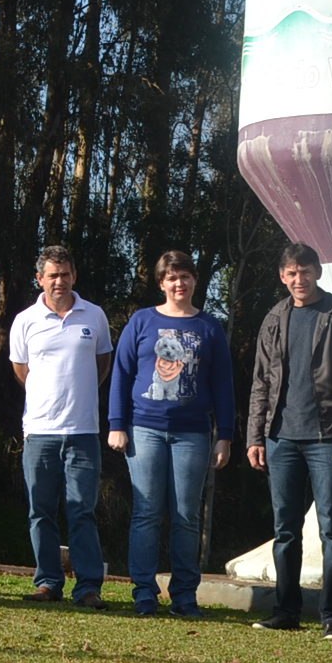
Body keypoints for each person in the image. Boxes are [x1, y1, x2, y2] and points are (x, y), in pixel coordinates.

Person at [245, 240, 332, 640]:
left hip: (327, 438)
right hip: (281, 438)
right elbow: (261, 382)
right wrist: (255, 436)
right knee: (285, 530)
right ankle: (286, 611)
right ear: (282, 277)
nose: (298, 279)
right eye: (290, 273)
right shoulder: (274, 317)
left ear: (317, 271)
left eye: (305, 271)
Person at [107, 249, 235, 617]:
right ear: (161, 283)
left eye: (185, 276)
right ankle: (144, 593)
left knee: (185, 516)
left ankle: (184, 596)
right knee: (146, 512)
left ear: (195, 280)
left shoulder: (209, 327)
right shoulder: (142, 321)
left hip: (192, 433)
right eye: (171, 278)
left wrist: (224, 434)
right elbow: (122, 373)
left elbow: (223, 384)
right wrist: (117, 424)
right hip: (144, 428)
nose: (179, 283)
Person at [8, 245, 112, 607]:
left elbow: (102, 365)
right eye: (52, 275)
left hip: (83, 431)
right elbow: (22, 372)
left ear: (74, 276)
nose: (59, 281)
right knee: (41, 510)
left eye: (65, 274)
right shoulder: (25, 321)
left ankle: (88, 588)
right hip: (39, 432)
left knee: (82, 510)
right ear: (40, 279)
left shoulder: (94, 316)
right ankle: (48, 583)